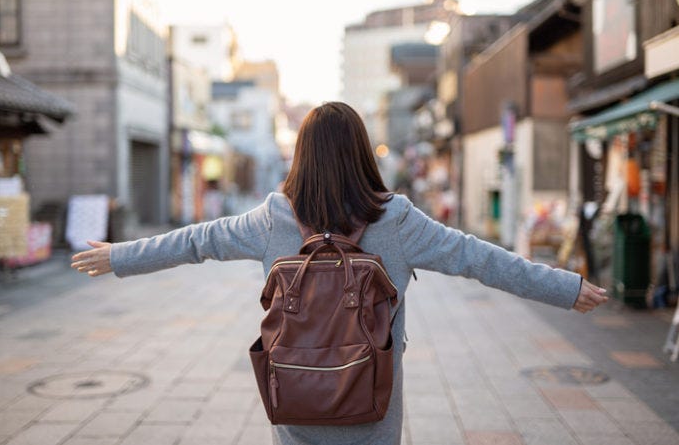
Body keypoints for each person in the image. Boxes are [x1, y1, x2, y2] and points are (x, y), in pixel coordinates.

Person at [71, 101, 608, 445]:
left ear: (301, 155)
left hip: (297, 395)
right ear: (360, 154)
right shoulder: (395, 220)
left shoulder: (272, 219)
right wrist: (567, 287)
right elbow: (482, 259)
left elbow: (196, 242)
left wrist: (119, 257)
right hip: (371, 401)